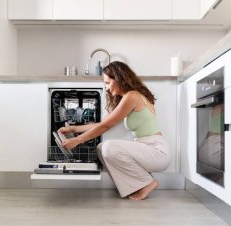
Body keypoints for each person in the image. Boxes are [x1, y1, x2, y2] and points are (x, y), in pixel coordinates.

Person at [59, 61, 171, 200]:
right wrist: (73, 128)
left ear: (118, 78)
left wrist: (77, 140)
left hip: (157, 151)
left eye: (107, 82)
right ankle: (137, 185)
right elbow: (103, 124)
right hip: (146, 148)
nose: (106, 88)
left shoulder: (132, 96)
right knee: (101, 148)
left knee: (109, 147)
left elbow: (105, 126)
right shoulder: (130, 96)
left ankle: (148, 183)